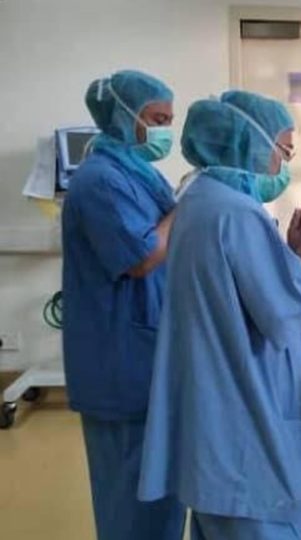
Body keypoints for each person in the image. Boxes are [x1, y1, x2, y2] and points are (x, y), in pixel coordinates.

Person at [138, 90, 301, 540]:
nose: (282, 165)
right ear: (250, 142)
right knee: (259, 519)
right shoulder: (236, 212)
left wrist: (284, 253)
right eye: (283, 150)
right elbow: (283, 314)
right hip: (245, 425)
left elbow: (244, 293)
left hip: (217, 420)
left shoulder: (200, 200)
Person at [60, 70, 185, 540]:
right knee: (130, 500)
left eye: (170, 119)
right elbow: (142, 256)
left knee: (159, 498)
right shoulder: (99, 181)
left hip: (148, 353)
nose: (165, 130)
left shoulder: (138, 172)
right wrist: (185, 206)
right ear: (124, 116)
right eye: (157, 118)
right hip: (120, 363)